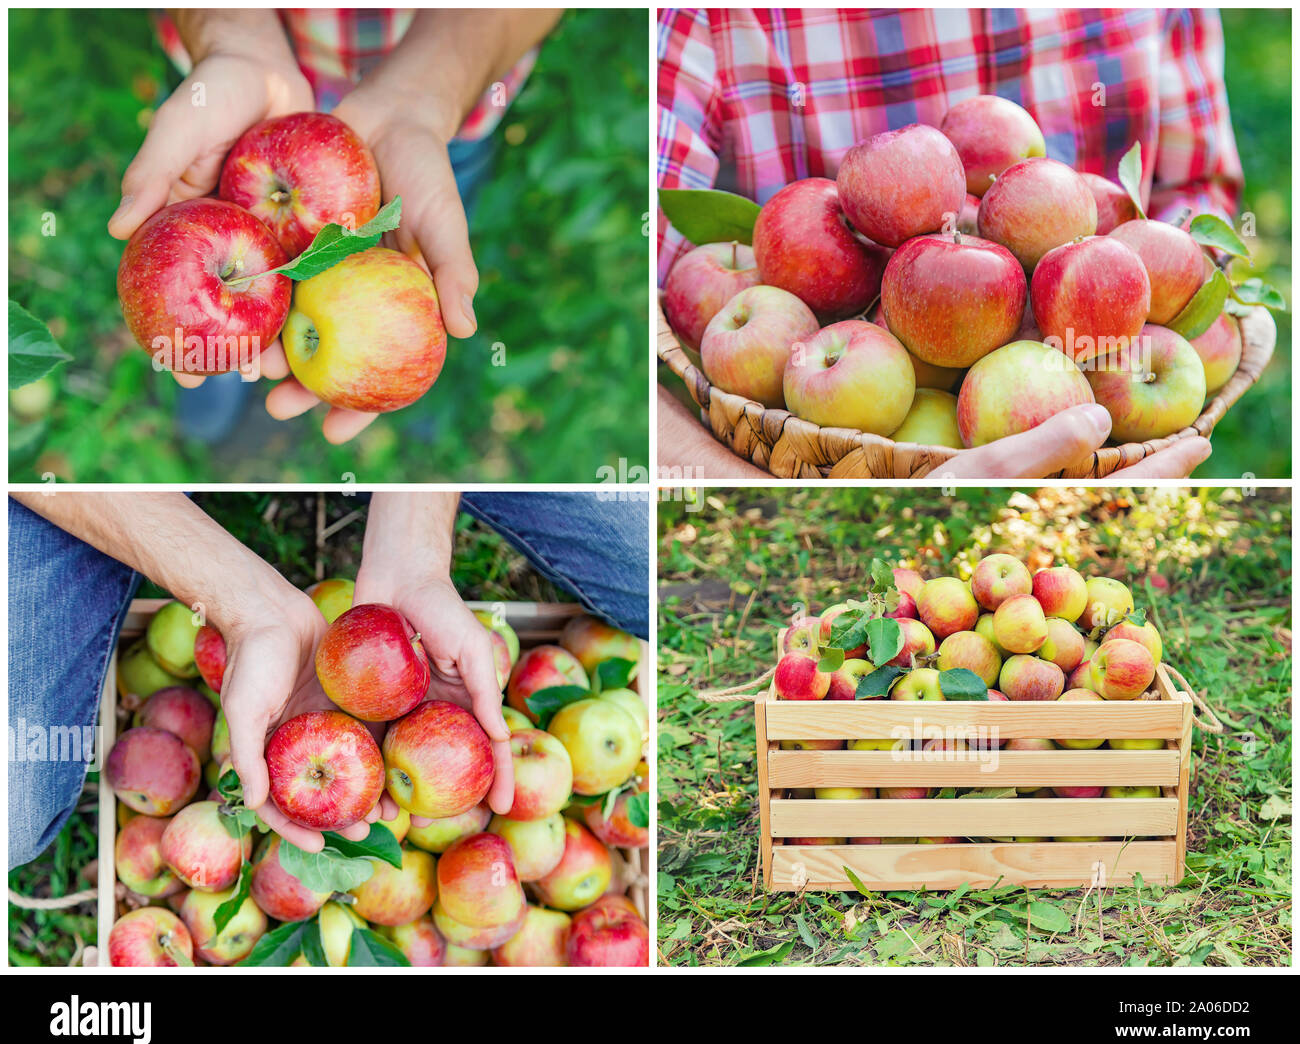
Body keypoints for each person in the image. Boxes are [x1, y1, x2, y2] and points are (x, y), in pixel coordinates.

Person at [656, 7, 1246, 479]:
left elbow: (1192, 193)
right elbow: (640, 331)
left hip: (1101, 393)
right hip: (839, 397)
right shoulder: (712, 16)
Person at [8, 491, 648, 867]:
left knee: (649, 562)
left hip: (360, 377)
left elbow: (412, 330)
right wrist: (240, 600)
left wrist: (414, 548)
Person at [110, 8, 562, 444]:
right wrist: (232, 41)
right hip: (225, 93)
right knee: (218, 339)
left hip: (438, 112)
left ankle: (229, 357)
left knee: (419, 229)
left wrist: (427, 94)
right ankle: (223, 366)